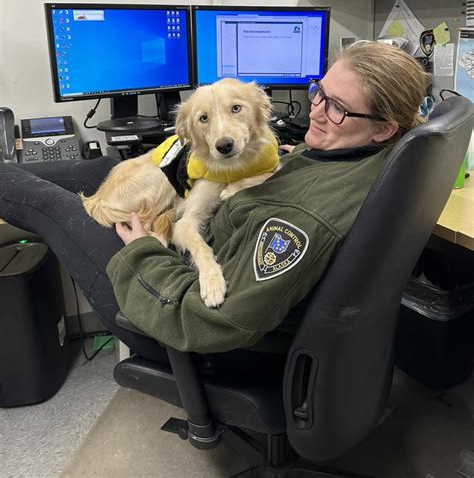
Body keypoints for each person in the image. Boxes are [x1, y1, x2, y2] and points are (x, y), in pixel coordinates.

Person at [0, 42, 430, 363]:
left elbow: (215, 323)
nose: (316, 111)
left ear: (381, 129)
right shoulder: (364, 159)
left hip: (171, 306)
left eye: (336, 108)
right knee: (100, 166)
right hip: (192, 252)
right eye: (319, 92)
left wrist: (142, 252)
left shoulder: (304, 220)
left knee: (44, 203)